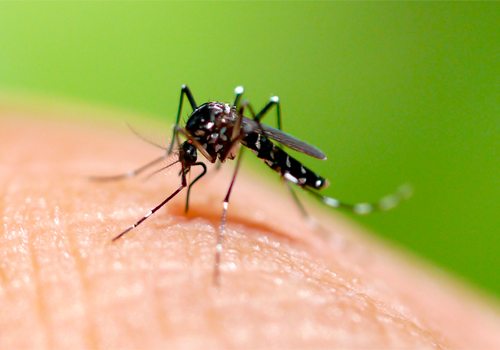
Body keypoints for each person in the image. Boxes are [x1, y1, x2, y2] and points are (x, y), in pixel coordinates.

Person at [1, 109, 499, 349]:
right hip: (222, 132)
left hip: (244, 136)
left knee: (253, 138)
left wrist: (219, 217)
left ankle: (299, 206)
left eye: (188, 154)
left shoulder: (223, 133)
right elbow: (190, 134)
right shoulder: (192, 130)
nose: (187, 159)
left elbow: (229, 134)